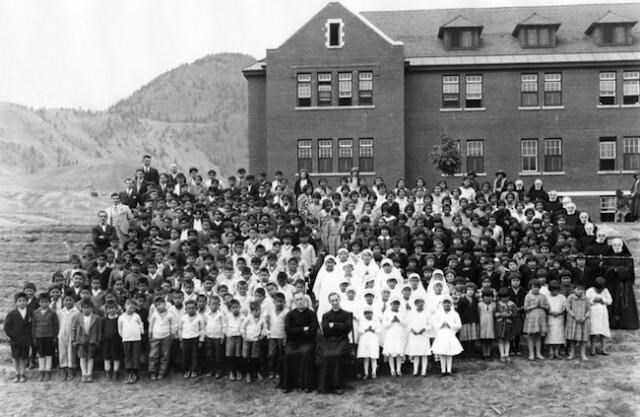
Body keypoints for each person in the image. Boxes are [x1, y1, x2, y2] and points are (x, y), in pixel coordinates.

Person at [318, 292, 353, 394]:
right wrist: (339, 325)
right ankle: (325, 386)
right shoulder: (326, 315)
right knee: (325, 356)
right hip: (329, 341)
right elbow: (325, 329)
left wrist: (333, 325)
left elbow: (347, 328)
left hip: (342, 340)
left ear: (339, 300)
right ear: (329, 302)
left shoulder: (347, 314)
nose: (335, 302)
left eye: (336, 300)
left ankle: (338, 385)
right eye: (332, 301)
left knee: (337, 355)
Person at [282, 292, 318, 393]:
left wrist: (297, 331)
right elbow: (288, 331)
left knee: (305, 353)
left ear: (305, 300)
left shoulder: (311, 314)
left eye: (301, 299)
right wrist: (303, 329)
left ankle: (306, 384)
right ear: (294, 301)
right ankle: (289, 385)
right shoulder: (290, 315)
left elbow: (312, 331)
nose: (300, 302)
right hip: (293, 342)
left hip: (307, 342)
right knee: (288, 353)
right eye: (297, 300)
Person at [603, 238, 639, 330]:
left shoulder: (627, 256)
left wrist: (616, 269)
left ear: (622, 245)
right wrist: (614, 269)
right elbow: (604, 268)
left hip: (624, 284)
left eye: (619, 245)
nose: (616, 247)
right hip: (611, 284)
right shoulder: (608, 256)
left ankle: (626, 323)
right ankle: (611, 323)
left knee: (624, 302)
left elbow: (629, 270)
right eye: (614, 245)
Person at [431, 296, 463, 377]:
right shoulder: (439, 314)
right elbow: (434, 324)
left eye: (448, 303)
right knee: (442, 353)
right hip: (441, 334)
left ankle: (449, 370)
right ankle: (443, 370)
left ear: (451, 304)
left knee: (449, 353)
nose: (446, 304)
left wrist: (450, 325)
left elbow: (459, 325)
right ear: (442, 304)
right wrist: (441, 325)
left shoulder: (455, 314)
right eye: (445, 303)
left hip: (450, 334)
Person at [4, 292, 32, 383]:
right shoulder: (12, 314)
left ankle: (23, 373)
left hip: (26, 339)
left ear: (27, 302)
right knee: (15, 357)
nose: (22, 302)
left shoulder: (31, 312)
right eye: (19, 301)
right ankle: (17, 373)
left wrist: (30, 337)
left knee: (24, 357)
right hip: (15, 340)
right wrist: (13, 335)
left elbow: (33, 325)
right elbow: (7, 327)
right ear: (16, 303)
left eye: (24, 300)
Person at [72, 299, 101, 382]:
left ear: (92, 308)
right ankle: (84, 373)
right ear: (81, 308)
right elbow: (73, 329)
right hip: (81, 340)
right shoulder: (78, 317)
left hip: (92, 339)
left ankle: (89, 373)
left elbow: (98, 330)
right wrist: (74, 339)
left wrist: (98, 340)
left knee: (90, 357)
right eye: (84, 308)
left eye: (88, 307)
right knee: (82, 357)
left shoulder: (96, 318)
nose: (86, 309)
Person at [32, 292, 59, 381]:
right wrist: (34, 337)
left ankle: (48, 371)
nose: (44, 304)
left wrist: (55, 336)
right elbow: (34, 325)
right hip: (39, 336)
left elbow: (55, 325)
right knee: (41, 354)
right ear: (39, 303)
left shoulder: (52, 312)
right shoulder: (35, 313)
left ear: (49, 302)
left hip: (49, 336)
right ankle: (41, 371)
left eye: (46, 302)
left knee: (49, 353)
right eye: (42, 302)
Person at [118, 298, 144, 384]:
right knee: (128, 355)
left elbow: (141, 325)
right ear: (125, 306)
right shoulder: (121, 317)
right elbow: (120, 329)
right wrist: (124, 336)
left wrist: (139, 333)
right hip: (126, 339)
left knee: (135, 355)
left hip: (136, 339)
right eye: (129, 307)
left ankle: (135, 373)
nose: (131, 309)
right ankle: (129, 372)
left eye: (133, 308)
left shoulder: (137, 316)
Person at [405, 296, 432, 376]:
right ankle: (415, 370)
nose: (420, 304)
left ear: (424, 303)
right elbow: (408, 324)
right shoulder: (411, 313)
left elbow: (430, 324)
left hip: (423, 335)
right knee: (416, 353)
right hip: (414, 335)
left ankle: (424, 370)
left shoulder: (427, 313)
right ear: (415, 304)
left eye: (421, 302)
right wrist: (412, 330)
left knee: (424, 354)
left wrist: (424, 329)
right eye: (418, 302)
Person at [148, 296, 174, 380]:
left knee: (165, 355)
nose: (158, 306)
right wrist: (150, 334)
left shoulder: (169, 315)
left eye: (160, 304)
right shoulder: (154, 314)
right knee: (153, 355)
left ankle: (161, 372)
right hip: (155, 337)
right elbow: (151, 325)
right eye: (156, 305)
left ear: (165, 304)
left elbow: (172, 326)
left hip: (166, 337)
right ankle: (153, 372)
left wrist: (171, 334)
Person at [523, 279, 549, 361]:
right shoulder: (528, 296)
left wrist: (542, 306)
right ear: (531, 287)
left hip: (541, 317)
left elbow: (547, 307)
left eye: (538, 287)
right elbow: (525, 308)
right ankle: (531, 353)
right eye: (534, 287)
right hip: (532, 318)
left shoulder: (543, 296)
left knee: (539, 336)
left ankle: (538, 353)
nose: (536, 289)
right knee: (531, 336)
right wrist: (534, 306)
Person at [179, 299, 205, 378]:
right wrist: (181, 340)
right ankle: (186, 370)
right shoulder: (183, 318)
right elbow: (180, 329)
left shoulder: (199, 317)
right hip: (185, 339)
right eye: (189, 308)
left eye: (193, 308)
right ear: (186, 309)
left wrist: (201, 340)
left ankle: (194, 370)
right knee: (185, 355)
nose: (191, 310)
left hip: (195, 339)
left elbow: (202, 329)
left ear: (196, 308)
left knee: (195, 355)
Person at [241, 301, 266, 382]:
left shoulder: (262, 319)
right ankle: (248, 373)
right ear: (251, 311)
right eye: (256, 311)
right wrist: (244, 336)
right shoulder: (248, 318)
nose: (258, 312)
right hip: (248, 340)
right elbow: (242, 327)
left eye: (259, 310)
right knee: (247, 358)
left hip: (256, 341)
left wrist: (261, 336)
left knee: (255, 358)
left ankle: (257, 372)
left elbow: (264, 328)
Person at [586, 277, 612, 356]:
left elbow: (610, 301)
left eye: (601, 289)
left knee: (603, 330)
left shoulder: (605, 291)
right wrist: (593, 300)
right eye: (598, 289)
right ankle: (592, 348)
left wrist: (602, 300)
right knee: (593, 330)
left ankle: (603, 348)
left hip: (603, 312)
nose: (600, 291)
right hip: (593, 312)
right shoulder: (589, 291)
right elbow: (586, 301)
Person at [565, 282, 591, 361]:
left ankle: (583, 354)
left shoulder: (586, 299)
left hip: (583, 321)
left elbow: (589, 309)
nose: (580, 291)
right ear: (574, 290)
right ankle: (572, 353)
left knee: (583, 338)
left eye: (582, 289)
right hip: (573, 321)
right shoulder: (570, 298)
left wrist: (585, 317)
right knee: (572, 338)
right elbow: (568, 308)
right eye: (578, 289)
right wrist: (573, 316)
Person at [57, 292, 80, 381]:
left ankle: (71, 369)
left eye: (70, 300)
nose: (68, 302)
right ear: (63, 302)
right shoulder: (60, 312)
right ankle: (63, 369)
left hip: (71, 334)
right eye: (66, 300)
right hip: (62, 334)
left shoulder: (76, 312)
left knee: (71, 352)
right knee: (62, 352)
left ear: (74, 301)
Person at [382, 296, 407, 377]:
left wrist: (399, 321)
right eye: (394, 304)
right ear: (391, 304)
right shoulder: (387, 313)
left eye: (397, 304)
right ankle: (392, 370)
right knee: (391, 352)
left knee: (399, 352)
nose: (395, 305)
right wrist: (391, 321)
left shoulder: (402, 313)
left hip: (399, 334)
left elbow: (405, 324)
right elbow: (384, 325)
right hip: (391, 334)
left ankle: (398, 369)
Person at [356, 306, 381, 379]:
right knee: (366, 357)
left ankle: (374, 372)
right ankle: (366, 373)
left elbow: (379, 329)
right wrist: (366, 329)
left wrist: (373, 330)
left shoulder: (375, 321)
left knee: (373, 357)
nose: (368, 315)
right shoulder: (362, 322)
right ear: (364, 314)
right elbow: (360, 330)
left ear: (372, 314)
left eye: (369, 313)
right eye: (366, 313)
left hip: (373, 340)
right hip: (364, 341)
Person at [102, 301, 123, 380]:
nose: (111, 310)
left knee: (116, 357)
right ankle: (107, 371)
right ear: (106, 310)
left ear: (117, 309)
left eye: (113, 308)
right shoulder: (104, 320)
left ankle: (115, 371)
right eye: (109, 309)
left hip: (116, 341)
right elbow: (102, 330)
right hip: (106, 341)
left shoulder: (119, 319)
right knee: (106, 357)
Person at [545, 281, 566, 360]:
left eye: (556, 290)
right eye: (553, 290)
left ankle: (557, 352)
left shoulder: (562, 297)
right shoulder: (546, 296)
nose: (554, 292)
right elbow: (545, 305)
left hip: (559, 318)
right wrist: (550, 312)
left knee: (558, 335)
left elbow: (564, 306)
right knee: (550, 335)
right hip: (550, 317)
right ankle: (551, 352)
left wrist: (560, 312)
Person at [494, 287, 517, 362]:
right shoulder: (497, 304)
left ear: (509, 296)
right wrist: (500, 314)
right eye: (502, 297)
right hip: (500, 324)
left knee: (507, 339)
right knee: (500, 339)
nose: (504, 299)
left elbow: (515, 314)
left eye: (506, 297)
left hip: (508, 324)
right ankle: (502, 354)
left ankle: (507, 354)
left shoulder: (512, 304)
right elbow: (494, 313)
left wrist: (510, 314)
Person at [478, 289, 496, 359]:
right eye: (486, 296)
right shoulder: (480, 305)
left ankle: (488, 352)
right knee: (483, 339)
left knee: (489, 339)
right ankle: (484, 352)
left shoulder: (494, 305)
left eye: (489, 296)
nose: (488, 298)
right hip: (482, 323)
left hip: (491, 324)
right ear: (483, 297)